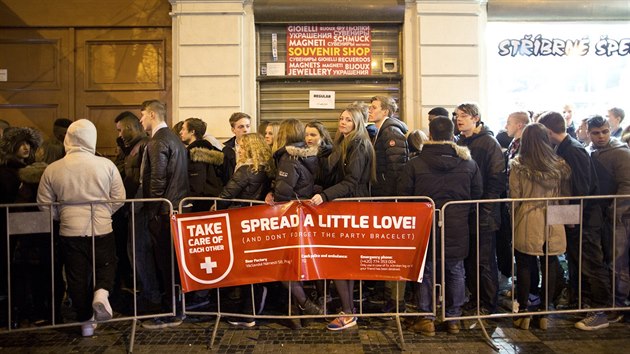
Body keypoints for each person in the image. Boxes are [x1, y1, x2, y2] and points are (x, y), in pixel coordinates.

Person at [37, 119, 125, 337]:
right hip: (103, 227)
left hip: (70, 230)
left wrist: (62, 215)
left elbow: (44, 203)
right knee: (106, 265)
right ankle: (102, 294)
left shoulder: (53, 168)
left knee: (77, 275)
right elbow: (119, 197)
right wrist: (104, 212)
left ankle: (86, 322)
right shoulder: (106, 165)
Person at [398, 116, 483, 336]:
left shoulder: (415, 163)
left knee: (425, 271)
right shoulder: (468, 163)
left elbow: (404, 195)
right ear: (452, 134)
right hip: (457, 225)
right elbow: (477, 194)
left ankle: (426, 319)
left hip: (424, 225)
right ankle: (453, 319)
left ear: (431, 134)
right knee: (456, 270)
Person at [538, 112, 611, 329]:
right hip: (577, 217)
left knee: (590, 264)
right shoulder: (566, 148)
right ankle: (581, 302)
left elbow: (582, 189)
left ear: (548, 131)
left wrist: (568, 216)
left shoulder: (573, 150)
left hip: (586, 219)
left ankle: (601, 310)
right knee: (578, 262)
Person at [310, 104, 376, 331]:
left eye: (348, 119)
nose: (343, 122)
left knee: (339, 261)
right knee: (342, 262)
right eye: (341, 118)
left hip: (352, 207)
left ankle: (348, 312)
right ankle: (348, 311)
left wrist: (324, 195)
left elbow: (352, 181)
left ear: (357, 123)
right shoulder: (342, 143)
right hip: (345, 207)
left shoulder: (358, 144)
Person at [509, 123, 571, 331]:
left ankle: (524, 312)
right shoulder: (560, 165)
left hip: (528, 215)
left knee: (525, 264)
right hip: (554, 216)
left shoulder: (518, 165)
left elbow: (514, 197)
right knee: (551, 262)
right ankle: (544, 312)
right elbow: (564, 197)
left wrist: (512, 221)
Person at [138, 100, 189, 329]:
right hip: (173, 208)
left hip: (163, 211)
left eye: (142, 116)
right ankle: (175, 307)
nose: (140, 121)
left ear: (151, 114)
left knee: (165, 264)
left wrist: (153, 211)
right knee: (171, 264)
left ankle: (171, 311)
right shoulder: (174, 138)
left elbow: (157, 179)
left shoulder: (158, 141)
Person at [218, 133, 272, 327]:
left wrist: (213, 210)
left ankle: (248, 312)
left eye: (241, 146)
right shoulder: (266, 169)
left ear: (249, 149)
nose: (238, 149)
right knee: (253, 266)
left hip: (239, 222)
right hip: (257, 222)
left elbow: (225, 196)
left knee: (243, 268)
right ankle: (252, 306)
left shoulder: (245, 170)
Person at [455, 102, 505, 314]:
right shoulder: (460, 141)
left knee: (484, 261)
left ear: (476, 118)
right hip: (467, 211)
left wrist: (485, 206)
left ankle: (488, 303)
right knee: (471, 260)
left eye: (464, 116)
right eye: (457, 115)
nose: (459, 119)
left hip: (484, 212)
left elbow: (496, 177)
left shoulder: (488, 143)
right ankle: (475, 299)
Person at [114, 113, 162, 312]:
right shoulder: (133, 148)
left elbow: (146, 180)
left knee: (140, 253)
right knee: (134, 252)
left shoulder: (145, 146)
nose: (119, 134)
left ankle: (151, 297)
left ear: (131, 127)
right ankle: (146, 293)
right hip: (134, 208)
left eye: (120, 130)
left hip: (140, 208)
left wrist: (137, 205)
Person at [586, 115, 630, 329]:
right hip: (600, 215)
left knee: (618, 260)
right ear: (589, 132)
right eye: (596, 133)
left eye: (604, 131)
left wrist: (616, 210)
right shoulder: (590, 151)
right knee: (607, 258)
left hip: (620, 216)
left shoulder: (621, 154)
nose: (601, 136)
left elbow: (627, 186)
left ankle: (618, 305)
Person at [368, 96, 409, 312]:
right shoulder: (381, 131)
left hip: (390, 199)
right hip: (384, 197)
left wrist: (391, 197)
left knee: (393, 251)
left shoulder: (391, 131)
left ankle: (395, 301)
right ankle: (387, 295)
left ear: (385, 111)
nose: (369, 110)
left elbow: (397, 168)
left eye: (374, 108)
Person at [497, 112, 530, 292]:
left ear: (519, 125)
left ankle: (529, 291)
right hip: (510, 202)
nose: (506, 126)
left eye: (509, 123)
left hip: (521, 205)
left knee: (524, 251)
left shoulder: (525, 146)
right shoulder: (513, 144)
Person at [180, 117, 224, 212]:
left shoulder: (195, 153)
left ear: (192, 132)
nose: (180, 132)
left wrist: (190, 202)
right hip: (210, 200)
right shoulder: (210, 150)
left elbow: (197, 182)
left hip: (200, 203)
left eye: (183, 129)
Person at [222, 112, 252, 184]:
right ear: (233, 130)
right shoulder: (226, 149)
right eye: (241, 127)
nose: (245, 130)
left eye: (247, 126)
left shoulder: (258, 147)